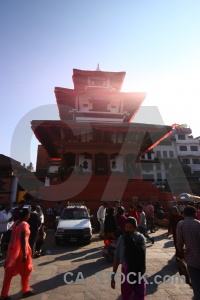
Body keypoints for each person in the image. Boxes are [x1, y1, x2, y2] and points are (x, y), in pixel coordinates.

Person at [0, 208, 35, 299]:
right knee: (26, 271)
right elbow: (23, 240)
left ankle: (4, 294)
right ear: (25, 216)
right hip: (21, 251)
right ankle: (25, 290)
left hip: (13, 251)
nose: (29, 216)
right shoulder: (24, 224)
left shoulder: (15, 223)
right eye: (29, 215)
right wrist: (24, 254)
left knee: (9, 273)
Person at [111, 217, 146, 300]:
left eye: (130, 227)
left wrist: (131, 241)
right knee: (127, 294)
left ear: (136, 227)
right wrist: (113, 276)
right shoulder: (121, 239)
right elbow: (116, 258)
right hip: (126, 270)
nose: (127, 229)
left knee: (139, 294)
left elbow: (141, 255)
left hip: (139, 270)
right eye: (126, 227)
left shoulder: (140, 238)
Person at [176, 206, 200, 300]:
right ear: (194, 214)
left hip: (191, 258)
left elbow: (179, 242)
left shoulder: (181, 224)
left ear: (184, 214)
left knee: (196, 283)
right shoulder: (199, 224)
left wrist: (181, 254)